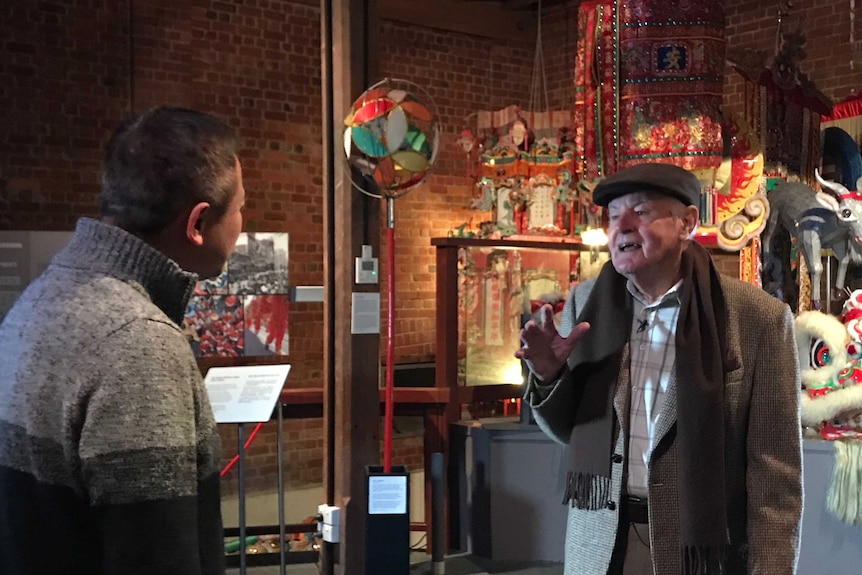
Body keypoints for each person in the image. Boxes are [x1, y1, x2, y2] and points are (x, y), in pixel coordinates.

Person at [515, 163, 802, 575]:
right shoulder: (585, 306)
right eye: (614, 216)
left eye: (642, 211)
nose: (623, 227)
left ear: (687, 222)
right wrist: (547, 376)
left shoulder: (757, 318)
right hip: (599, 544)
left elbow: (774, 476)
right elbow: (571, 432)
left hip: (701, 553)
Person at [0, 107, 245, 575]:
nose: (240, 224)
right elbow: (157, 555)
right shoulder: (140, 344)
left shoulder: (41, 296)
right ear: (197, 224)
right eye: (240, 208)